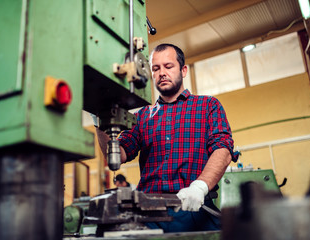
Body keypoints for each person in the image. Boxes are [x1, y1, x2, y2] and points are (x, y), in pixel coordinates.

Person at [95, 43, 237, 232]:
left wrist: (200, 187)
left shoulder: (208, 106)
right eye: (156, 68)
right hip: (149, 214)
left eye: (168, 66)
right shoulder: (142, 116)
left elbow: (223, 150)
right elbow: (117, 156)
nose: (162, 73)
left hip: (194, 207)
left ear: (183, 70)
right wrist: (100, 119)